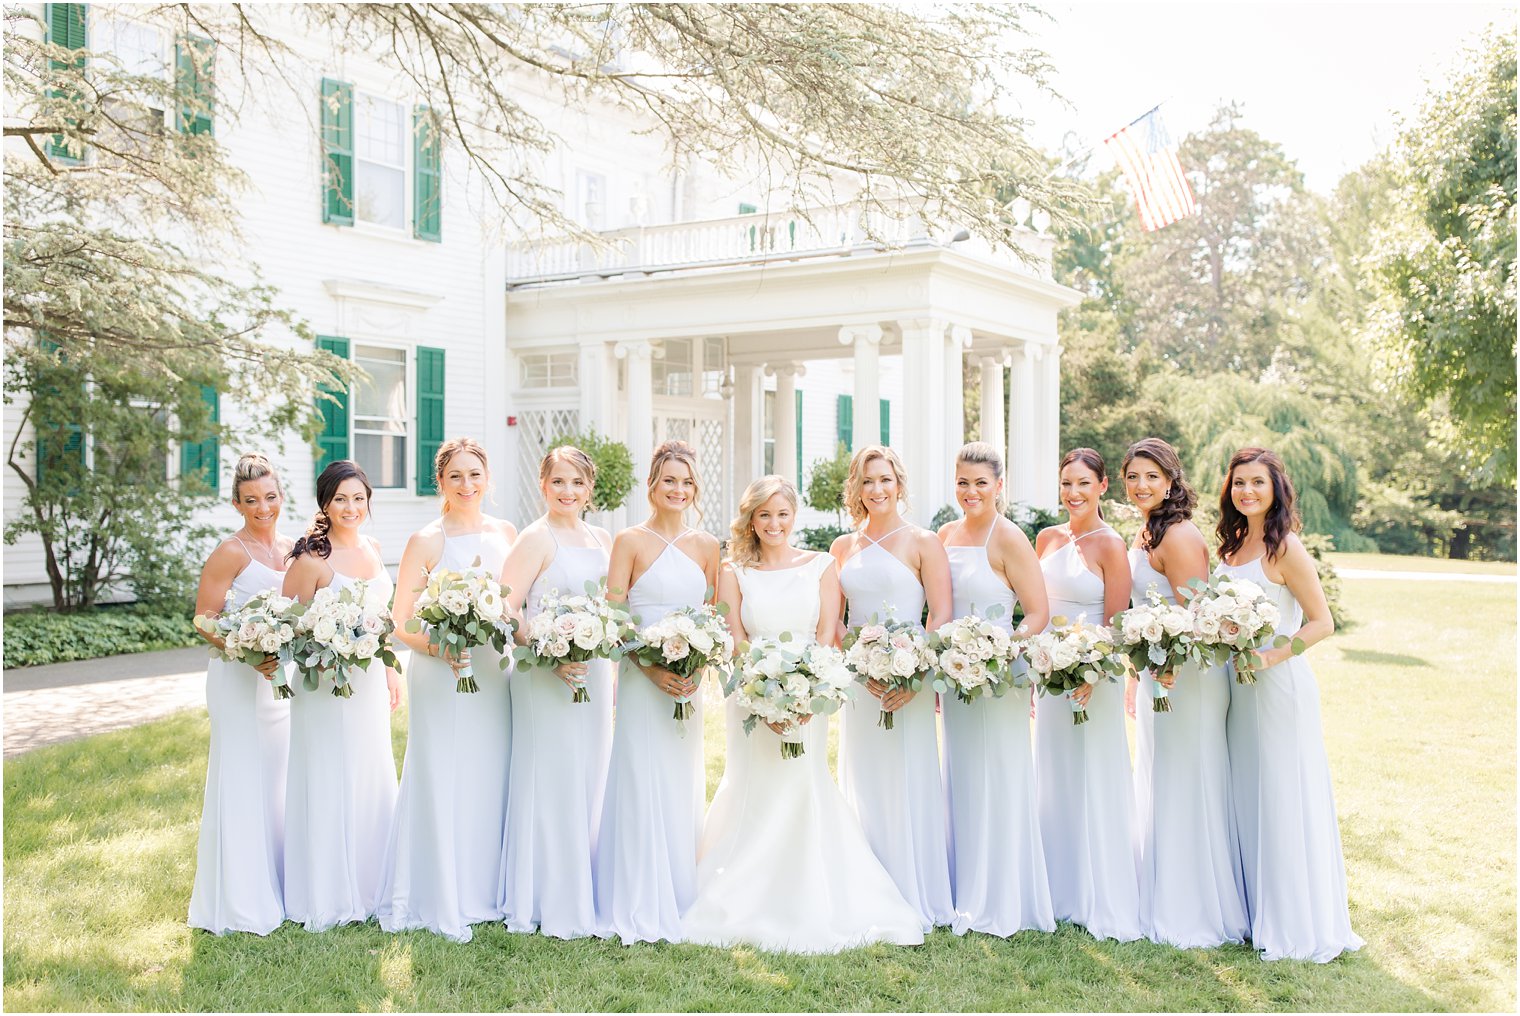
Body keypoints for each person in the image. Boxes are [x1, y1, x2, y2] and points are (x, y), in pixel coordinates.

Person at [680, 475, 925, 953]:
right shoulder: (733, 571)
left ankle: (813, 888)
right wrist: (765, 694)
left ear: (795, 517)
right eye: (764, 514)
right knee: (755, 784)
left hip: (810, 696)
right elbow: (734, 639)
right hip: (751, 694)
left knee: (803, 783)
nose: (774, 523)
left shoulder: (821, 565)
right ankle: (743, 891)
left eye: (782, 514)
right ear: (751, 519)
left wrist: (803, 694)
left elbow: (828, 634)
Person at [1216, 447, 1363, 962]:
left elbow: (1322, 622)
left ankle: (1293, 919)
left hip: (1277, 688)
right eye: (1239, 483)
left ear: (1276, 488)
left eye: (1257, 482)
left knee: (1280, 795)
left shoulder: (1285, 548)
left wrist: (1276, 655)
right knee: (1246, 793)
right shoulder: (1230, 546)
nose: (1247, 492)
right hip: (1234, 687)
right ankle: (1255, 908)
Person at [377, 438, 518, 942]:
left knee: (489, 768)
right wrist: (438, 648)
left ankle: (484, 888)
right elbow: (401, 621)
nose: (467, 484)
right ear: (441, 482)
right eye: (455, 476)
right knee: (443, 770)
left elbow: (516, 605)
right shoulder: (426, 540)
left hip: (493, 670)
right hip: (442, 671)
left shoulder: (506, 533)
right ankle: (439, 890)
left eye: (475, 474)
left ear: (489, 479)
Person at [1121, 437, 1248, 948]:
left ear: (1172, 481)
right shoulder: (1148, 530)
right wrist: (1140, 672)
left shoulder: (1177, 535)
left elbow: (1197, 616)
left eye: (1151, 476)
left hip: (1187, 677)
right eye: (1133, 476)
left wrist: (1168, 663)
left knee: (1189, 781)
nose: (1141, 485)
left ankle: (1196, 908)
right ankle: (1164, 893)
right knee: (1164, 778)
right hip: (1160, 673)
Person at [597, 441, 720, 944]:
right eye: (669, 480)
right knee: (638, 775)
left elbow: (712, 617)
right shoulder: (628, 540)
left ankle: (678, 890)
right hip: (642, 680)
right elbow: (614, 618)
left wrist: (700, 660)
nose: (678, 489)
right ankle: (634, 894)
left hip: (685, 688)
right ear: (652, 484)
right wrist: (649, 670)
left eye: (687, 482)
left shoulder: (708, 546)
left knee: (678, 779)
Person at [829, 445, 954, 930]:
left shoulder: (923, 541)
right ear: (856, 489)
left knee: (908, 775)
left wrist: (914, 668)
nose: (876, 489)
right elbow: (836, 622)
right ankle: (864, 886)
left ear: (899, 483)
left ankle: (913, 886)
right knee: (865, 775)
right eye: (866, 481)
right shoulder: (843, 547)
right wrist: (861, 664)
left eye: (884, 479)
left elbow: (940, 613)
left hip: (910, 681)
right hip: (862, 685)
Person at [937, 442, 1055, 937]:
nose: (971, 492)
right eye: (963, 482)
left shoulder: (1010, 539)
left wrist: (1003, 648)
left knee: (1000, 776)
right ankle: (965, 887)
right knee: (963, 776)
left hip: (999, 679)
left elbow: (1038, 612)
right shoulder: (943, 535)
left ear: (998, 486)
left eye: (981, 483)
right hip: (956, 676)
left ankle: (1003, 896)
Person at [496, 446, 614, 938]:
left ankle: (580, 887)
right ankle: (542, 895)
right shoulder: (534, 538)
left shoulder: (602, 537)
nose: (568, 492)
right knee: (550, 776)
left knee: (587, 772)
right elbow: (507, 607)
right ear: (542, 485)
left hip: (593, 670)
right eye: (558, 482)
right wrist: (549, 652)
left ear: (590, 489)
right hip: (544, 674)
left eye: (577, 483)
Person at [281, 459, 401, 932]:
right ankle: (327, 891)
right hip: (326, 686)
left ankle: (371, 884)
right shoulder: (311, 559)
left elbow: (383, 617)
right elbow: (284, 626)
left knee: (369, 771)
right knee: (330, 774)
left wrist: (392, 670)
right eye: (340, 499)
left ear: (368, 502)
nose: (350, 507)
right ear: (325, 504)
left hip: (368, 682)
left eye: (358, 498)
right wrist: (325, 647)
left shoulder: (372, 548)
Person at [1033, 448, 1141, 942]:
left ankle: (1102, 891)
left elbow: (1117, 624)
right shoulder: (1046, 538)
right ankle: (1058, 888)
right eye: (1066, 484)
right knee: (1054, 774)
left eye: (1082, 484)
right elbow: (1035, 608)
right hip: (1050, 673)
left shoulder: (1111, 545)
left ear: (1101, 487)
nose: (1073, 493)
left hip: (1093, 675)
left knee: (1095, 772)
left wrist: (1092, 671)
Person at [188, 453, 294, 936]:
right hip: (237, 677)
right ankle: (238, 899)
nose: (263, 507)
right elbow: (203, 617)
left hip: (279, 682)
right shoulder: (232, 551)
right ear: (237, 503)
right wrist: (246, 650)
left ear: (280, 497)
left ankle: (277, 882)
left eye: (270, 497)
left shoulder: (291, 550)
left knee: (276, 779)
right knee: (241, 778)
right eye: (251, 500)